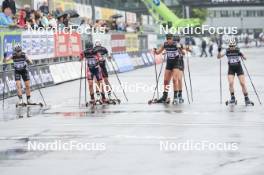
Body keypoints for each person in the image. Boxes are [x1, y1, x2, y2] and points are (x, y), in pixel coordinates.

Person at [217, 38, 253, 105]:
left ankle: (246, 98)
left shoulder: (238, 50)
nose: (231, 47)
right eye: (230, 46)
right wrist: (219, 51)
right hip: (231, 68)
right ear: (229, 46)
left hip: (238, 68)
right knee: (230, 83)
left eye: (233, 46)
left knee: (242, 83)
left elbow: (245, 58)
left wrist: (241, 54)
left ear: (235, 45)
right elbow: (218, 57)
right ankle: (233, 98)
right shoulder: (227, 51)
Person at [154, 34, 185, 103]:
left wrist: (179, 49)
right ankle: (164, 96)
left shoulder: (176, 44)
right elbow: (158, 52)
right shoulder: (165, 44)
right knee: (165, 81)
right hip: (169, 63)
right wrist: (155, 51)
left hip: (176, 63)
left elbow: (183, 53)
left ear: (172, 39)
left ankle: (176, 96)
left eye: (170, 39)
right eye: (167, 39)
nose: (169, 41)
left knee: (174, 79)